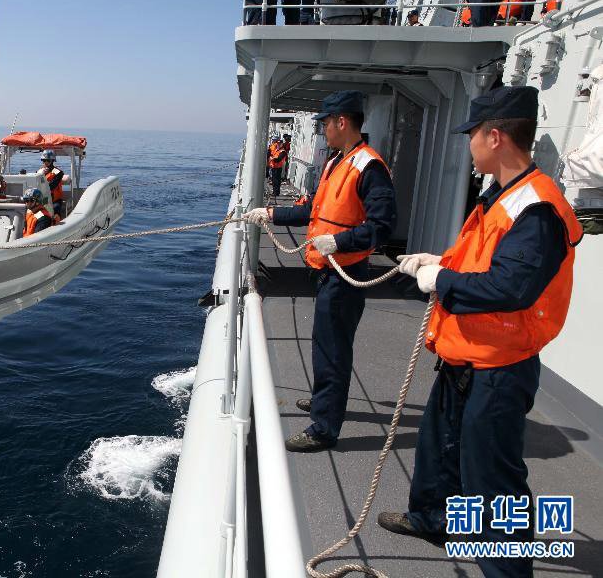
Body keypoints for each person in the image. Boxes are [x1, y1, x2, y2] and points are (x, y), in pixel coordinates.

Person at [377, 86, 582, 578]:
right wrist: (440, 261)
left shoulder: (536, 209)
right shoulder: (504, 196)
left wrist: (441, 280)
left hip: (499, 365)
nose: (468, 143)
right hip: (466, 354)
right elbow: (485, 260)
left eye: (472, 134)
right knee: (438, 447)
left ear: (494, 137)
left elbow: (511, 287)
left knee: (493, 481)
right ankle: (432, 519)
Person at [243, 91, 397, 452]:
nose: (323, 129)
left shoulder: (368, 168)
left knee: (333, 350)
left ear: (341, 121)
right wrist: (272, 214)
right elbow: (315, 210)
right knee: (323, 344)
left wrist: (340, 242)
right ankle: (323, 401)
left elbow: (383, 226)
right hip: (326, 271)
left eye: (325, 123)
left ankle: (324, 429)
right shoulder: (336, 162)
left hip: (346, 273)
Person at [39, 150, 65, 221]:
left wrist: (42, 175)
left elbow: (51, 186)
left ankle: (57, 224)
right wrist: (41, 174)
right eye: (43, 160)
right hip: (42, 199)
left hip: (55, 200)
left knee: (56, 208)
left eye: (48, 160)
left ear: (52, 161)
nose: (45, 162)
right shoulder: (39, 171)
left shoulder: (58, 173)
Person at [268, 135, 287, 200]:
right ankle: (275, 192)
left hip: (277, 168)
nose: (278, 145)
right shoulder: (277, 150)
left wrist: (272, 158)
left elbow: (278, 159)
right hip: (274, 167)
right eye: (278, 144)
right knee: (274, 180)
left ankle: (276, 192)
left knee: (276, 181)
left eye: (279, 144)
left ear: (281, 144)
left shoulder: (283, 152)